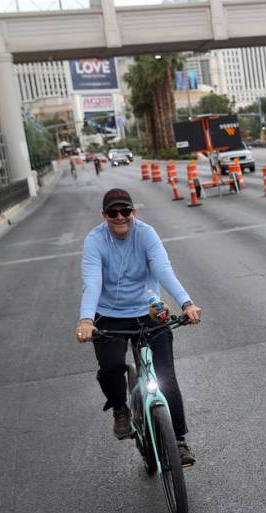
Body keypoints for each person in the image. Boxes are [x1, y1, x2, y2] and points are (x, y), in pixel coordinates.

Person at [75, 188, 203, 466]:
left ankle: (178, 440)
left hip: (148, 311)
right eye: (113, 213)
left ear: (134, 212)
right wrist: (86, 319)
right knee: (110, 367)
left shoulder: (146, 234)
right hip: (109, 315)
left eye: (126, 211)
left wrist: (186, 302)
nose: (120, 217)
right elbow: (93, 282)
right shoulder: (95, 240)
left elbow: (163, 269)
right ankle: (120, 408)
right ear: (104, 215)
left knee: (165, 374)